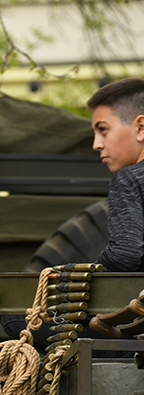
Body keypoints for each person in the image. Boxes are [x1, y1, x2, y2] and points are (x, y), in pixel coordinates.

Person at [89, 78, 144, 271]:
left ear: (141, 128)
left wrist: (86, 272)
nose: (96, 144)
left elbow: (125, 254)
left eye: (103, 130)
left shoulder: (130, 180)